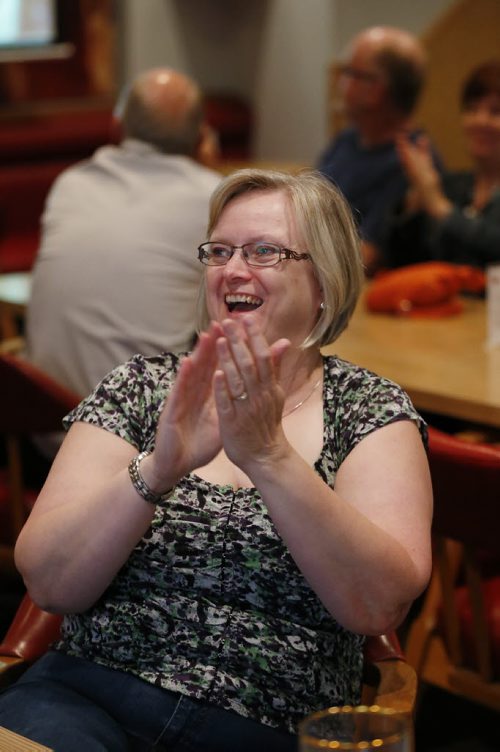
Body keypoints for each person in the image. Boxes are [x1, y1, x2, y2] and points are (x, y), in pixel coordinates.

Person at [0, 169, 433, 751]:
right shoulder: (143, 388)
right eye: (220, 251)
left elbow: (379, 603)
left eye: (264, 251)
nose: (232, 269)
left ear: (325, 280)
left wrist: (272, 459)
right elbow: (48, 582)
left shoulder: (370, 411)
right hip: (85, 696)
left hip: (264, 725)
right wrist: (156, 470)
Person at [25, 67, 221, 400]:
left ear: (117, 128)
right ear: (202, 137)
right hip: (140, 434)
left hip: (40, 421)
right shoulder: (213, 199)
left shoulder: (71, 182)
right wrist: (209, 174)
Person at [316, 25, 440, 274]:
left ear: (376, 89)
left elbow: (366, 255)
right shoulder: (347, 140)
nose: (341, 83)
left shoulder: (411, 162)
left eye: (351, 73)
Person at [384, 60, 500, 269]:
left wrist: (438, 206)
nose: (480, 121)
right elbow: (405, 262)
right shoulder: (453, 185)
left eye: (495, 112)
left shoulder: (439, 196)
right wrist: (415, 200)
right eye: (472, 109)